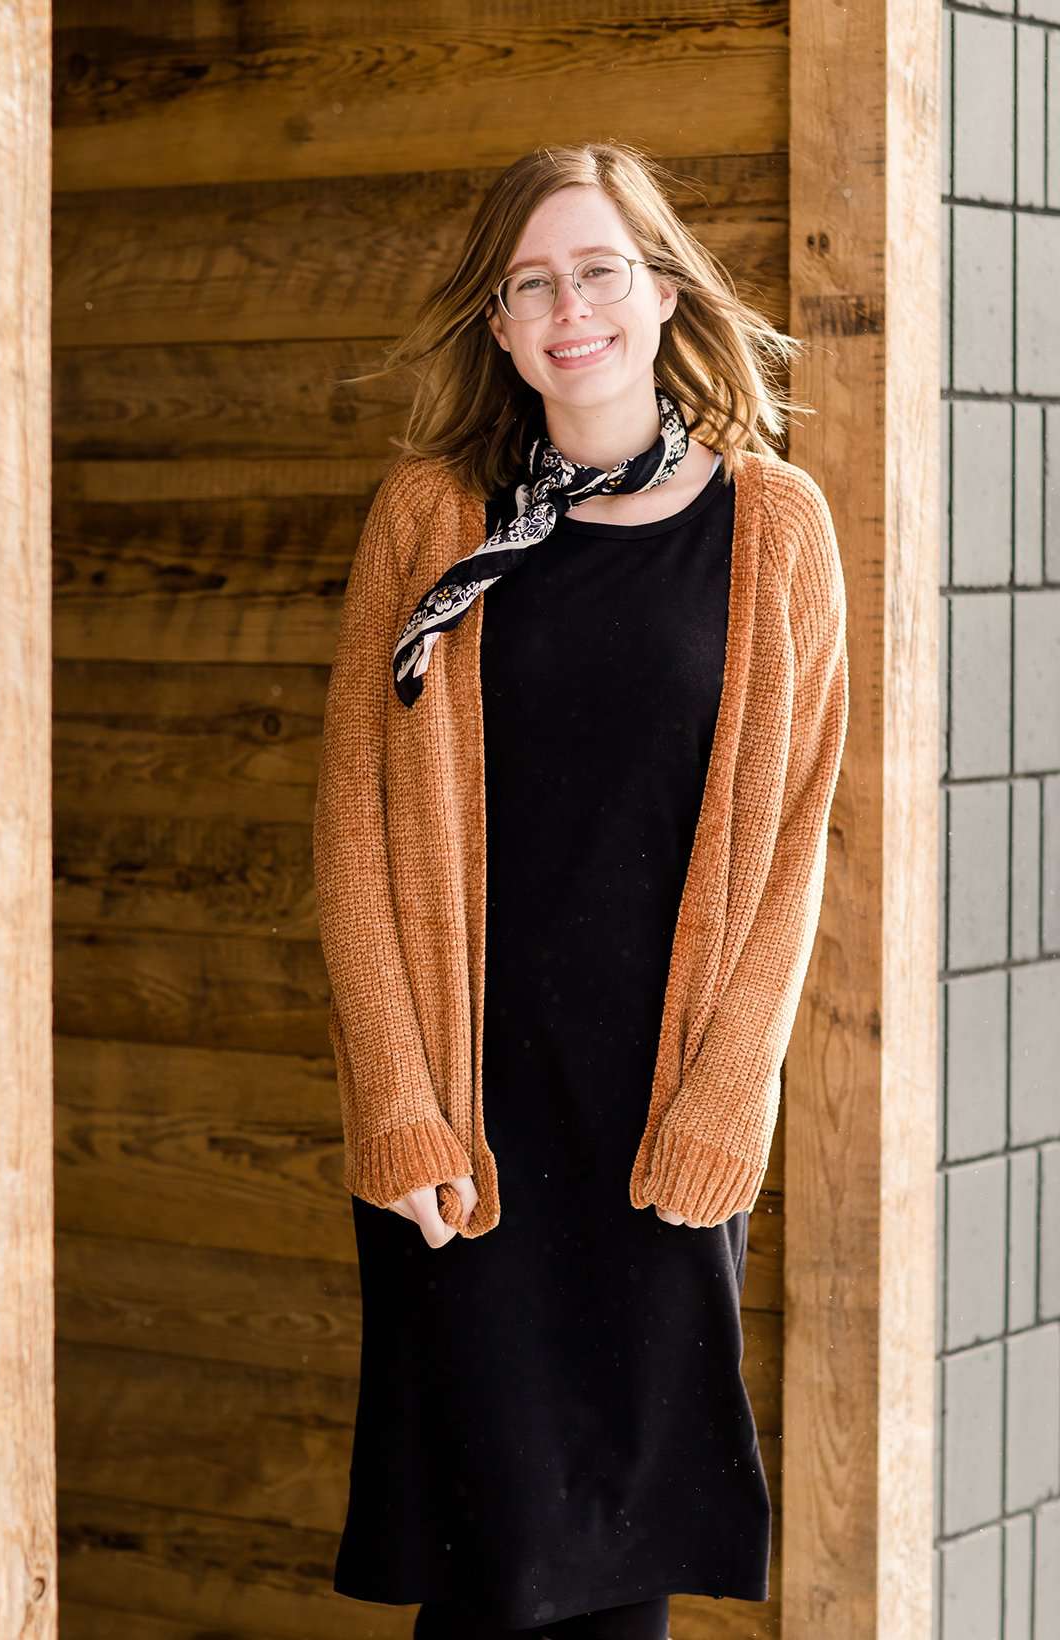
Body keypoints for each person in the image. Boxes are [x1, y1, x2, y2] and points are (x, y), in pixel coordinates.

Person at [312, 140, 849, 1639]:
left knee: (615, 1576)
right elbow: (354, 822)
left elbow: (795, 832)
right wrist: (400, 1103)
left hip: (656, 1116)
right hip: (472, 1123)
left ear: (663, 290)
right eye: (529, 282)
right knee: (493, 1572)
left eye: (598, 269)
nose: (568, 308)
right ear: (496, 323)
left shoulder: (774, 526)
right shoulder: (432, 522)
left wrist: (726, 1098)